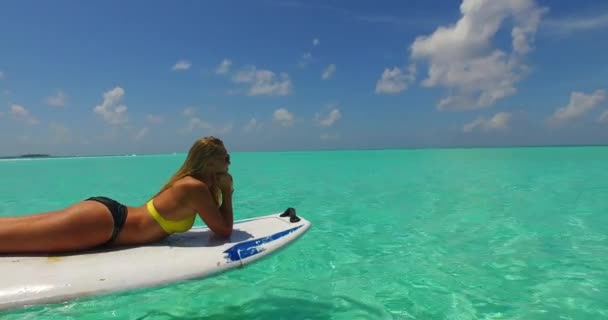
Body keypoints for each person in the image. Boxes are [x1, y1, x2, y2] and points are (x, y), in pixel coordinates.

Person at [0, 136, 234, 254]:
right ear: (209, 160)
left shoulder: (192, 185)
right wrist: (227, 192)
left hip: (107, 219)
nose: (229, 160)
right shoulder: (193, 187)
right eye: (224, 156)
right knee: (8, 240)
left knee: (13, 228)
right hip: (106, 224)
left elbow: (218, 224)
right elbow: (223, 230)